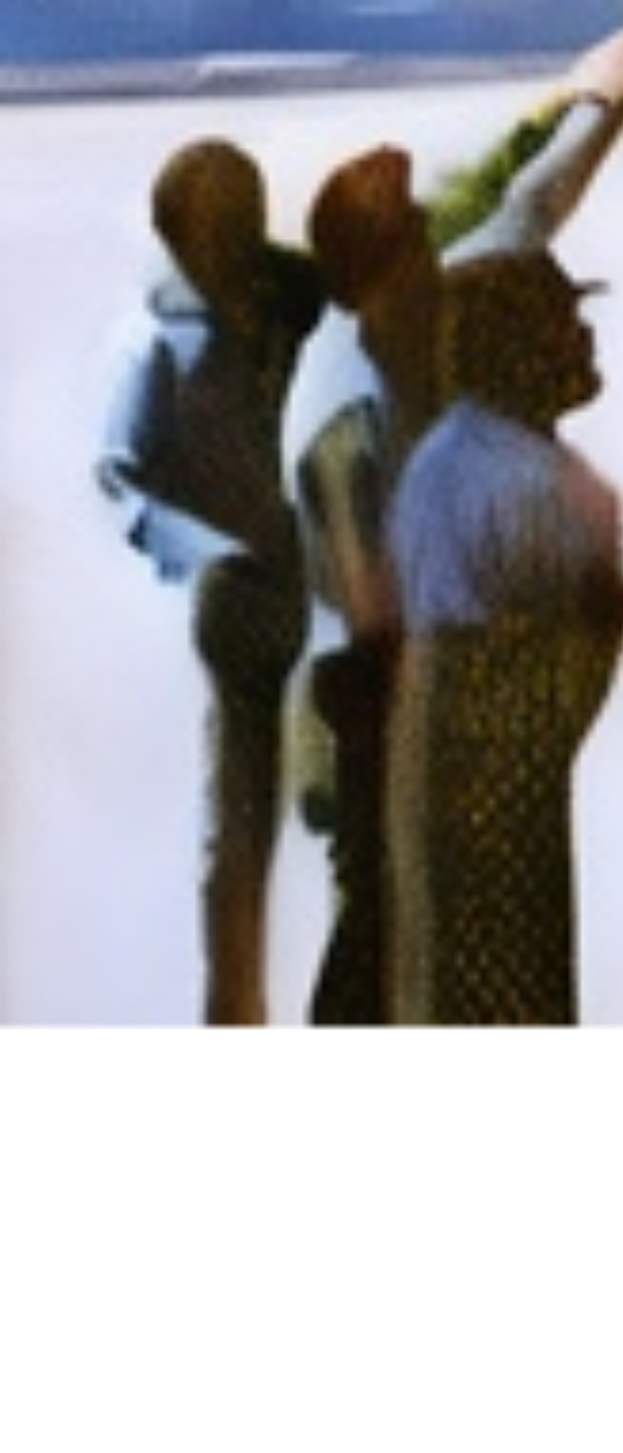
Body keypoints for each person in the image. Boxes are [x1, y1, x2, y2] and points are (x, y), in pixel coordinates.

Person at [286, 24, 623, 1034]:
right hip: (370, 704)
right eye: (414, 243)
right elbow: (369, 598)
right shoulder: (346, 408)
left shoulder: (442, 305)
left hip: (445, 683)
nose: (433, 256)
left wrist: (605, 103)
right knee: (383, 932)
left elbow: (526, 207)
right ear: (378, 272)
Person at [386, 253, 623, 1034]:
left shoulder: (443, 455)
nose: (584, 339)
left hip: (443, 755)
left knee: (452, 979)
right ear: (519, 343)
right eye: (564, 322)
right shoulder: (542, 484)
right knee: (508, 981)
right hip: (496, 766)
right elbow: (568, 617)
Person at [97, 142, 328, 1034]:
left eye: (237, 226)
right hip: (240, 608)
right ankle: (237, 1016)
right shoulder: (160, 334)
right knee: (239, 832)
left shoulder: (303, 296)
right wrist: (207, 550)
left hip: (337, 582)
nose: (221, 250)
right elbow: (119, 474)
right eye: (206, 235)